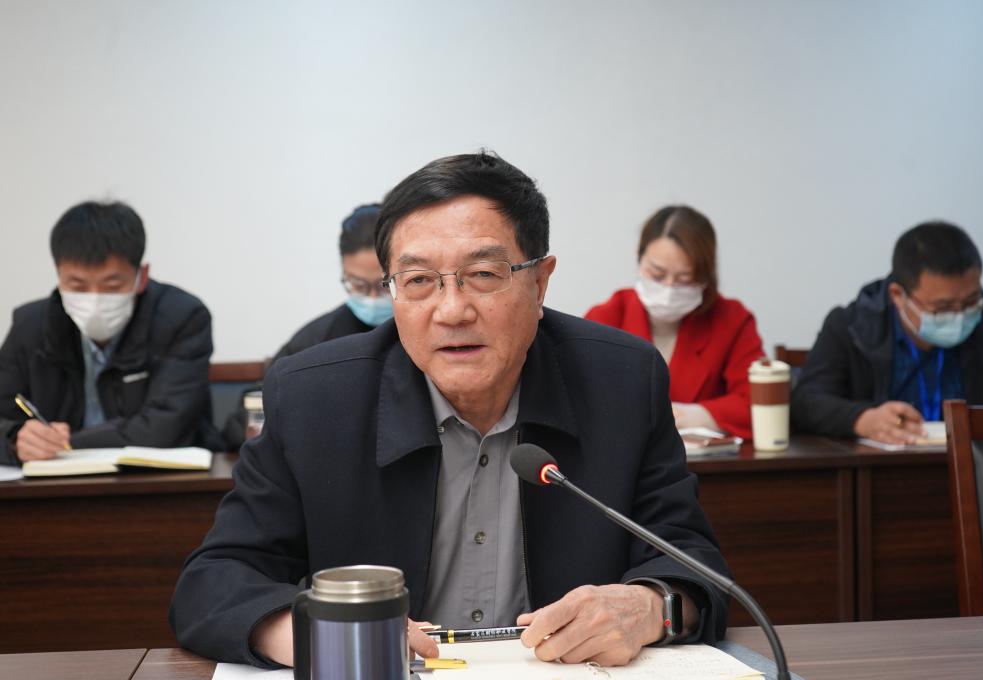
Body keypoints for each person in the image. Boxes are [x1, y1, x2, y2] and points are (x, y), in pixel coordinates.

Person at [170, 152, 730, 669]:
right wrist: (319, 636)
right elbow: (214, 581)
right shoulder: (313, 398)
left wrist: (649, 607)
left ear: (540, 283)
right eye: (418, 281)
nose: (452, 310)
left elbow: (693, 565)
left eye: (483, 275)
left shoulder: (622, 383)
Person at [0, 201, 222, 465]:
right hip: (52, 483)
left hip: (157, 480)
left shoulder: (183, 318)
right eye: (78, 287)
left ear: (141, 276)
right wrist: (16, 438)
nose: (94, 300)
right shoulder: (30, 326)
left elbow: (166, 426)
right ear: (58, 275)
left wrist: (64, 443)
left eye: (112, 287)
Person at [792, 220, 983, 443]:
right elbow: (805, 402)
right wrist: (862, 419)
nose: (960, 316)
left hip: (971, 465)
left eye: (971, 301)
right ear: (898, 295)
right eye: (943, 307)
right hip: (885, 465)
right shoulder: (851, 327)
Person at [585, 206, 765, 439]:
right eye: (657, 275)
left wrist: (691, 416)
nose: (669, 289)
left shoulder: (732, 320)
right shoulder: (605, 318)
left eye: (685, 279)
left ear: (706, 276)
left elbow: (759, 404)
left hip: (709, 460)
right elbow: (581, 399)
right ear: (639, 258)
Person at [221, 203, 391, 450]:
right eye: (358, 285)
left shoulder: (425, 330)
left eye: (382, 285)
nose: (372, 298)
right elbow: (246, 421)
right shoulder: (316, 338)